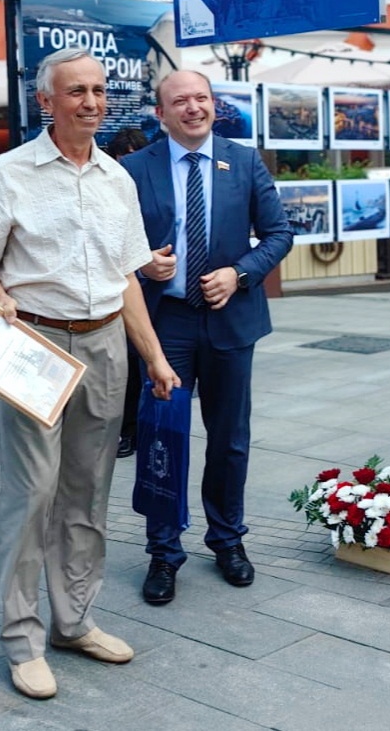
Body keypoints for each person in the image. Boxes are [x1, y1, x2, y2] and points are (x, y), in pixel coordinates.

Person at [0, 48, 179, 699]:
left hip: (106, 344)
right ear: (46, 102)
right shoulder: (10, 173)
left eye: (97, 89)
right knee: (32, 493)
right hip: (34, 342)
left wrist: (155, 358)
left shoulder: (117, 178)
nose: (91, 101)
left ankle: (74, 620)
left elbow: (126, 281)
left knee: (87, 493)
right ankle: (21, 638)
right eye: (76, 91)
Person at [121, 70, 293, 605]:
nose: (192, 108)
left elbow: (280, 233)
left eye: (201, 99)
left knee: (229, 439)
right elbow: (113, 242)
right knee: (161, 437)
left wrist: (239, 273)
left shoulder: (243, 161)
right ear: (161, 113)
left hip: (229, 319)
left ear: (214, 106)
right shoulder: (131, 169)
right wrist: (142, 262)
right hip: (164, 322)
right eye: (180, 101)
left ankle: (227, 540)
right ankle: (163, 552)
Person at [105, 127, 152, 459]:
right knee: (125, 364)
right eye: (123, 161)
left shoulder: (151, 184)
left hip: (150, 283)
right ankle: (127, 430)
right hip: (118, 285)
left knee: (142, 363)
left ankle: (139, 429)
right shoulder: (108, 186)